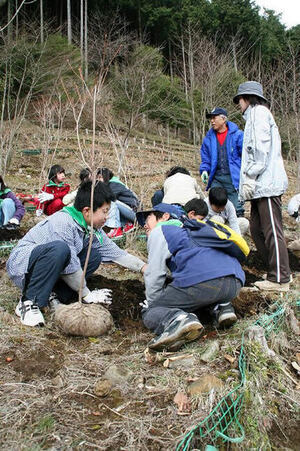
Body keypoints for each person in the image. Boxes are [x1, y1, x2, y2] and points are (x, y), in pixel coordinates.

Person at [7, 181, 146, 327]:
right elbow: (71, 264)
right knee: (60, 249)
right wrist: (87, 294)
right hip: (24, 267)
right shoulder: (63, 222)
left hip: (50, 266)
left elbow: (116, 254)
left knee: (93, 256)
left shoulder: (91, 228)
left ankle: (51, 294)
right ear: (87, 211)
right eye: (104, 212)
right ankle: (28, 301)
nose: (107, 217)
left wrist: (144, 267)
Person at [136, 203, 246, 352]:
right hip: (235, 281)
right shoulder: (198, 229)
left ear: (165, 216)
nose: (144, 225)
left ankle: (179, 320)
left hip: (203, 281)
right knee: (198, 295)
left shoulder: (161, 230)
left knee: (152, 310)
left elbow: (154, 274)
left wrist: (155, 304)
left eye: (147, 218)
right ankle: (221, 307)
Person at [233, 81, 290, 291]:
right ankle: (275, 271)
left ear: (247, 98)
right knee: (257, 229)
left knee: (272, 231)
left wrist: (249, 175)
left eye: (239, 99)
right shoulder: (255, 116)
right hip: (260, 186)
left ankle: (280, 278)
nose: (238, 104)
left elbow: (258, 148)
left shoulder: (258, 114)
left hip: (265, 184)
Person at [199, 107, 244, 216]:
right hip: (217, 178)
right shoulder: (208, 139)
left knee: (235, 208)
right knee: (214, 204)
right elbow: (206, 158)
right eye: (211, 118)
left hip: (233, 178)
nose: (212, 121)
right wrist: (204, 170)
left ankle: (237, 227)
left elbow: (245, 156)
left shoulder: (237, 135)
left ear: (223, 119)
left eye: (214, 118)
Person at [97, 168, 140, 238]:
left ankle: (115, 228)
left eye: (100, 177)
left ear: (106, 177)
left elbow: (106, 199)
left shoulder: (114, 184)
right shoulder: (109, 185)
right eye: (97, 178)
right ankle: (126, 225)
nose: (98, 180)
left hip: (134, 213)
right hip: (126, 212)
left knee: (110, 201)